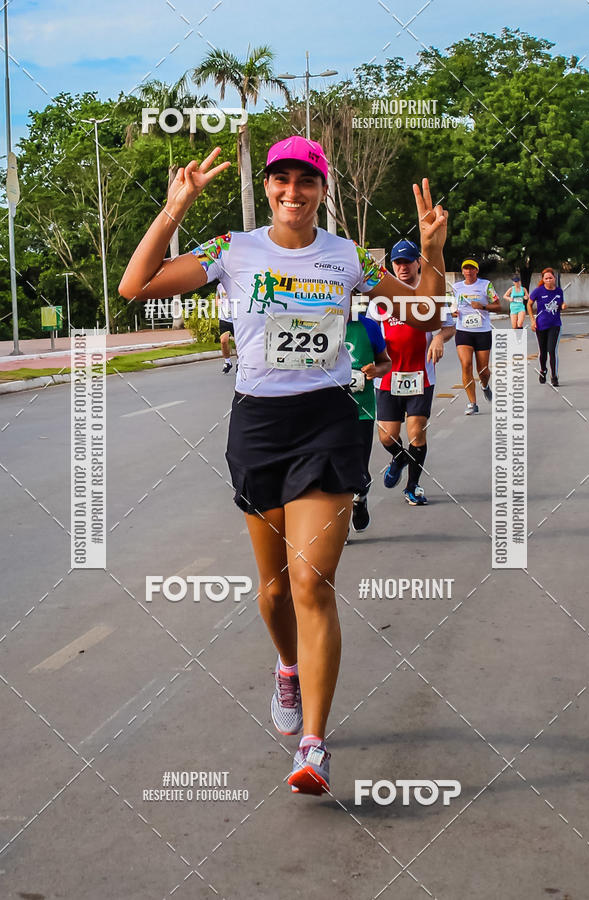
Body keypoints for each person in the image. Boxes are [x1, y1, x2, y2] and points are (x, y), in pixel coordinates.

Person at [119, 137, 448, 795]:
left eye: (305, 180)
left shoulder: (347, 257)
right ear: (268, 187)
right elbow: (136, 286)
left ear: (322, 189)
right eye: (281, 180)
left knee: (311, 583)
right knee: (274, 590)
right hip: (259, 427)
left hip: (329, 421)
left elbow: (426, 310)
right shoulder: (231, 250)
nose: (292, 191)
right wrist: (172, 211)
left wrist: (432, 251)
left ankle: (314, 745)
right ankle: (286, 667)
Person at [371, 239, 455, 505]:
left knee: (417, 432)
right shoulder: (381, 296)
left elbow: (449, 326)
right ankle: (399, 458)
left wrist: (440, 338)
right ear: (392, 265)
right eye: (398, 262)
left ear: (419, 262)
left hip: (421, 375)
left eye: (408, 261)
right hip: (387, 376)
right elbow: (368, 330)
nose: (403, 267)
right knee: (386, 435)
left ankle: (413, 486)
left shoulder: (429, 292)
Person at [344, 308, 391, 531]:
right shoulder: (318, 324)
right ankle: (339, 523)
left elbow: (386, 363)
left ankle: (360, 499)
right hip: (326, 410)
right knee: (332, 468)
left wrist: (375, 370)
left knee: (358, 469)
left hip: (362, 410)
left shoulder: (369, 326)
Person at [451, 259, 501, 415]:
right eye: (466, 268)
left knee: (483, 370)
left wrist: (483, 306)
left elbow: (498, 306)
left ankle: (485, 386)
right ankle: (472, 402)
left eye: (472, 268)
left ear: (476, 271)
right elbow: (451, 304)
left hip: (482, 331)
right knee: (466, 365)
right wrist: (453, 311)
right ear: (463, 271)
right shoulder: (456, 287)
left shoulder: (486, 285)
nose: (469, 271)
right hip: (463, 330)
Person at [528, 267, 566, 387]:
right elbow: (529, 305)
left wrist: (563, 305)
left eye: (550, 278)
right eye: (546, 278)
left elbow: (560, 305)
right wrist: (532, 321)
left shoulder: (559, 291)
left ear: (554, 278)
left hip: (555, 325)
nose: (549, 280)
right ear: (543, 280)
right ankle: (543, 370)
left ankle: (554, 376)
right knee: (543, 352)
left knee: (552, 350)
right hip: (541, 325)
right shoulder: (538, 291)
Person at [216, 281, 234, 373]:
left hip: (236, 318)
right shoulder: (219, 286)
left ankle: (240, 363)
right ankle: (227, 362)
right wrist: (219, 304)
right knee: (223, 341)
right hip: (224, 318)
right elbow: (217, 297)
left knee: (239, 343)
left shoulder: (237, 283)